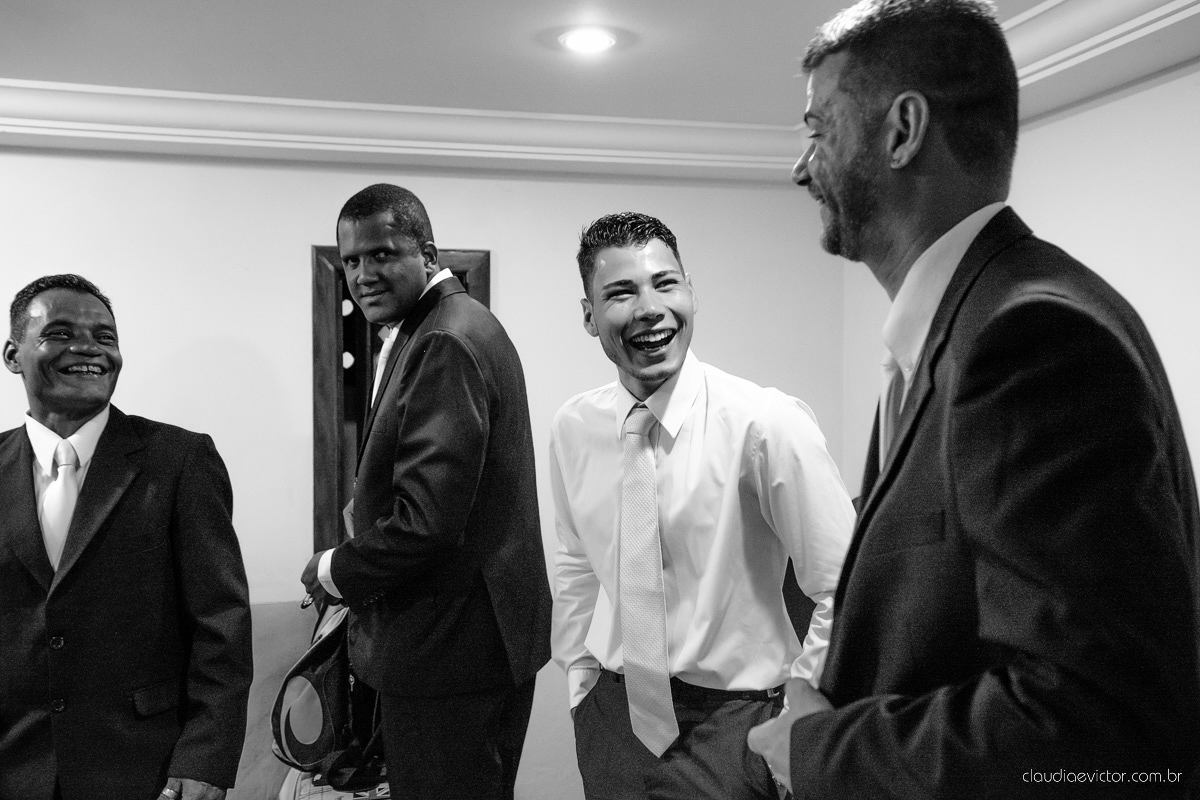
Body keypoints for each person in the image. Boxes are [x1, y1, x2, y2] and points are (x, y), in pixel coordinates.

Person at [746, 1, 1200, 797]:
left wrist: (818, 750)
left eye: (819, 130)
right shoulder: (967, 329)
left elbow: (1099, 732)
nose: (800, 165)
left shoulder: (1032, 339)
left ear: (902, 130)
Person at [551, 211, 855, 799]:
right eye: (621, 293)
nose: (649, 308)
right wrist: (580, 680)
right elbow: (575, 563)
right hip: (613, 721)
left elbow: (844, 586)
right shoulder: (573, 427)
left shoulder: (765, 424)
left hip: (737, 729)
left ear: (690, 293)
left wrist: (794, 720)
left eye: (666, 284)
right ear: (589, 316)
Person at [300, 183, 552, 800]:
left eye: (382, 254)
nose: (363, 274)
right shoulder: (441, 327)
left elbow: (426, 523)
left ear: (428, 252)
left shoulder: (444, 338)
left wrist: (333, 568)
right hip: (464, 646)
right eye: (352, 260)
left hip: (451, 654)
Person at [0, 274, 253, 800]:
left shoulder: (180, 460)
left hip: (144, 767)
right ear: (12, 355)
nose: (88, 348)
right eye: (61, 332)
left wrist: (206, 758)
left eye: (105, 336)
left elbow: (221, 624)